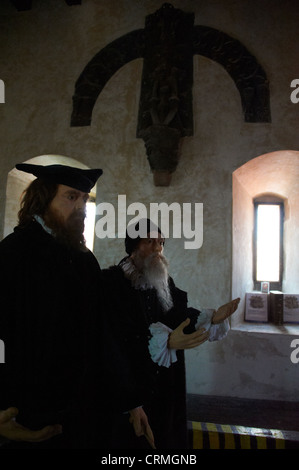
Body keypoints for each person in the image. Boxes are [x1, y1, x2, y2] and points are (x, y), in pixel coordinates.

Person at [102, 218, 240, 449]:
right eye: (150, 241)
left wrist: (211, 318)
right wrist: (164, 341)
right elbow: (111, 340)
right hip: (129, 384)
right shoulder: (111, 284)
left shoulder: (163, 280)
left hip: (164, 384)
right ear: (133, 245)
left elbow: (177, 314)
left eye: (161, 242)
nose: (158, 248)